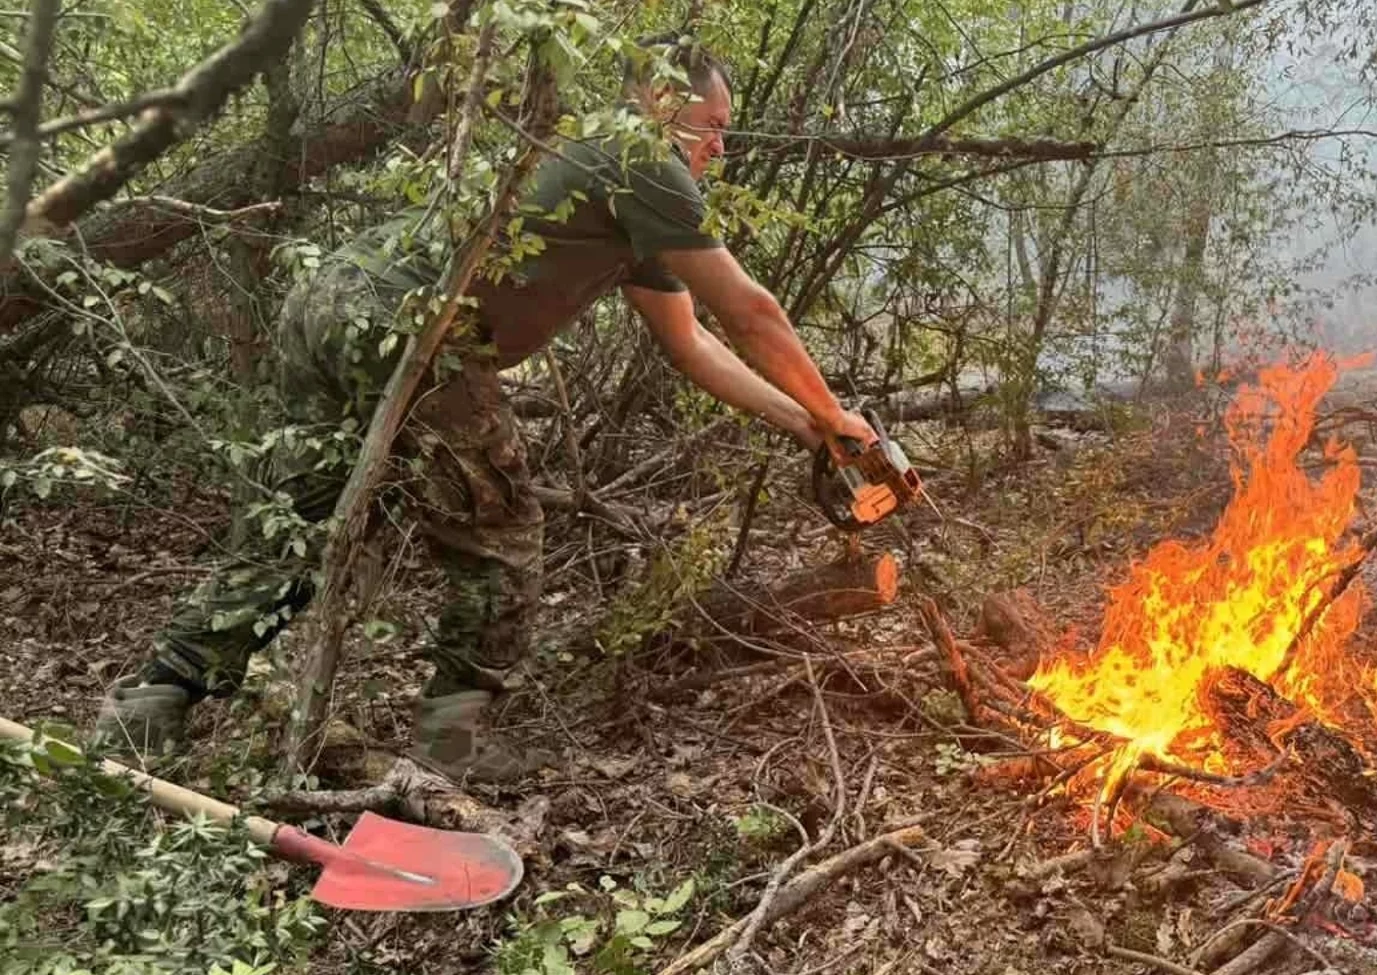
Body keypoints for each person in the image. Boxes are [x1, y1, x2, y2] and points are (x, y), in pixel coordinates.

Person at [97, 44, 876, 779]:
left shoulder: (605, 166)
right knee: (499, 526)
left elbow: (693, 345)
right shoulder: (643, 157)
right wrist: (836, 406)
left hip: (333, 299)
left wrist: (812, 425)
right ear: (662, 102)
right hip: (414, 323)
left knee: (305, 519)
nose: (719, 149)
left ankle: (153, 701)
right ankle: (452, 739)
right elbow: (752, 313)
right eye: (714, 128)